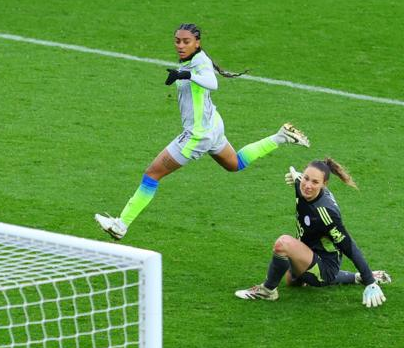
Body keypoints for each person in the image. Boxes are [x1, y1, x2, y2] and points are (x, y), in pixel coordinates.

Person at [95, 23, 310, 240]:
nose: (180, 45)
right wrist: (182, 73)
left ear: (197, 43)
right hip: (213, 125)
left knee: (152, 175)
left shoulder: (200, 63)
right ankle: (281, 136)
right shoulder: (193, 59)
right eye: (177, 41)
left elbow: (212, 83)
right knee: (235, 163)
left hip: (197, 136)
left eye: (186, 41)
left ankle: (122, 223)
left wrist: (185, 75)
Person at [234, 159, 392, 307]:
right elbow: (300, 180)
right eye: (306, 178)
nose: (308, 185)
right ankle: (356, 277)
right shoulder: (301, 185)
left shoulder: (326, 213)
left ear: (324, 184)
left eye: (315, 182)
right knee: (291, 280)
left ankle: (267, 291)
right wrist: (297, 177)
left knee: (283, 244)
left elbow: (350, 247)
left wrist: (370, 282)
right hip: (310, 254)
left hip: (325, 266)